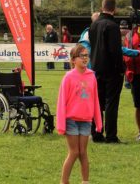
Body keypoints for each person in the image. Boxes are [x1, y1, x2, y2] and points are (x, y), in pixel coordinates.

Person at [57, 44, 102, 184]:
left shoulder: (92, 76)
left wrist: (99, 122)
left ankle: (85, 181)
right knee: (74, 152)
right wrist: (61, 125)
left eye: (86, 55)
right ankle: (64, 181)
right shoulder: (68, 77)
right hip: (71, 120)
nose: (85, 58)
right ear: (73, 60)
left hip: (86, 120)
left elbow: (95, 100)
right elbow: (61, 101)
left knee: (83, 152)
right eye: (81, 56)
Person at [89, 0, 124, 143]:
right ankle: (111, 135)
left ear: (102, 7)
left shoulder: (94, 25)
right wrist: (121, 68)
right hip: (111, 70)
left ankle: (96, 133)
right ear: (114, 9)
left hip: (96, 68)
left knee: (97, 103)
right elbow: (115, 50)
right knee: (111, 103)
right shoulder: (112, 26)